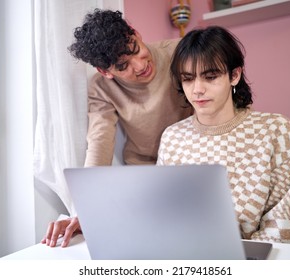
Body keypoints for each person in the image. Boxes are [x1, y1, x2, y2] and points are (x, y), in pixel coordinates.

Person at [41, 9, 192, 247]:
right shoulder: (101, 88)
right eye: (123, 66)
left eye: (135, 49)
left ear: (135, 33)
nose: (140, 65)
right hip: (145, 175)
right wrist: (85, 210)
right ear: (105, 72)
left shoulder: (180, 52)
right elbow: (99, 143)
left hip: (193, 167)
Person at [157, 26, 290, 244]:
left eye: (210, 77)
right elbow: (162, 215)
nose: (197, 89)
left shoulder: (275, 130)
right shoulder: (172, 137)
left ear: (234, 75)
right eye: (188, 78)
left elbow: (287, 227)